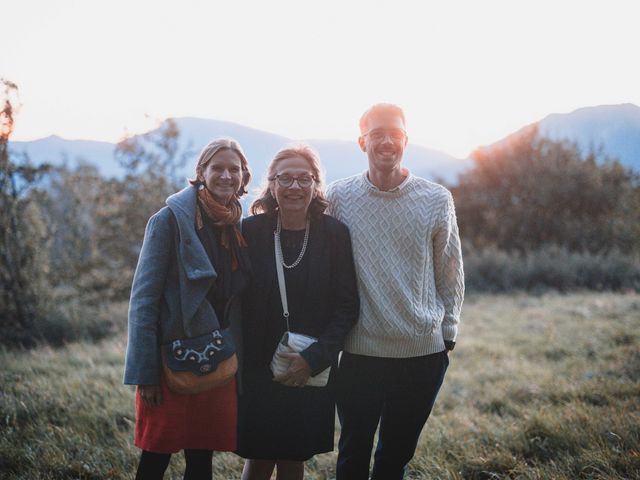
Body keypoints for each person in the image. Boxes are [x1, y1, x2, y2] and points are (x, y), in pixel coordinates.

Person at [326, 103, 465, 480]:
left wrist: (448, 330)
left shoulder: (436, 199)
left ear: (406, 140)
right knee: (352, 454)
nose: (386, 142)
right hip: (360, 352)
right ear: (362, 142)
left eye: (395, 135)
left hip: (421, 353)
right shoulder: (339, 197)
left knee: (394, 458)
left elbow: (449, 268)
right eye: (377, 135)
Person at [123, 138, 252, 480]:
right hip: (170, 361)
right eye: (218, 168)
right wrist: (145, 373)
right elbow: (144, 300)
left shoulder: (235, 225)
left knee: (201, 457)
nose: (226, 175)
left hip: (217, 358)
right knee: (155, 456)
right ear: (201, 173)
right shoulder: (167, 221)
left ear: (244, 177)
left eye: (234, 169)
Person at [237, 144, 359, 480]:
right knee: (259, 458)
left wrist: (314, 358)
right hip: (258, 369)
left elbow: (347, 307)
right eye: (285, 179)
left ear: (316, 183)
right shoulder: (251, 231)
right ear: (272, 184)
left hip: (310, 365)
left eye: (303, 178)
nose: (294, 187)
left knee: (293, 458)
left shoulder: (334, 234)